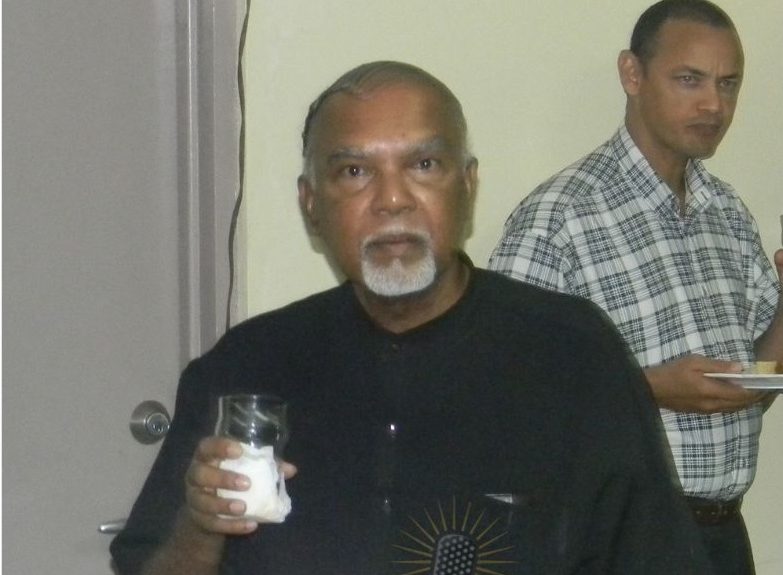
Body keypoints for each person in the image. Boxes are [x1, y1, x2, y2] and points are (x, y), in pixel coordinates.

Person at [111, 61, 712, 575]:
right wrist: (201, 525)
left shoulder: (573, 354)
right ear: (311, 204)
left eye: (424, 164)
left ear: (467, 187)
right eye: (354, 172)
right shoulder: (246, 364)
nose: (392, 199)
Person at [488, 2, 783, 574]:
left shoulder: (727, 212)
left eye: (728, 84)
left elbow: (757, 385)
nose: (714, 105)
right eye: (690, 79)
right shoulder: (560, 216)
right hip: (618, 543)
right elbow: (504, 396)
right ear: (632, 73)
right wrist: (647, 389)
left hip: (725, 538)